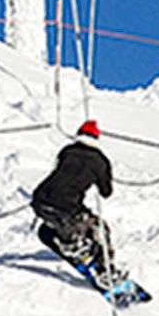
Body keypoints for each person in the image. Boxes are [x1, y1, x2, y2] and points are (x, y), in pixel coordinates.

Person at [31, 119, 125, 287]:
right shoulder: (100, 160)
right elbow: (106, 192)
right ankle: (104, 270)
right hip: (66, 207)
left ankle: (67, 236)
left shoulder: (66, 151)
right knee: (99, 228)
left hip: (39, 200)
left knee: (68, 219)